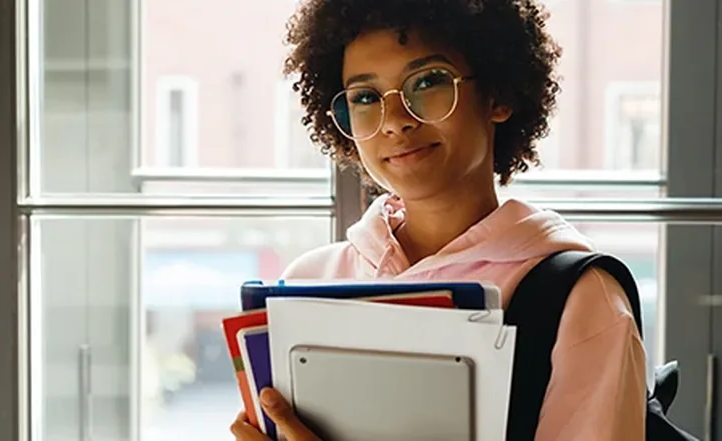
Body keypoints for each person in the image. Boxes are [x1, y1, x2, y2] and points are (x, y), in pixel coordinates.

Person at [230, 0, 647, 439]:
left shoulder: (582, 300)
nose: (394, 121)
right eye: (366, 97)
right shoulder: (307, 285)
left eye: (428, 81)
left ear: (498, 94)